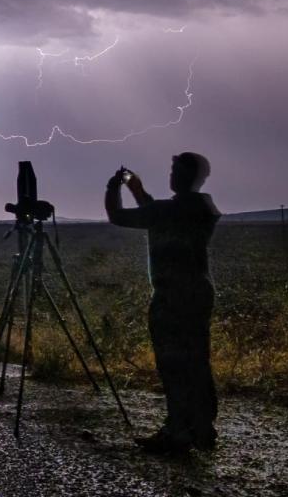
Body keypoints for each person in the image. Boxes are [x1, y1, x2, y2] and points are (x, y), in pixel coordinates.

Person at [104, 152, 221, 454]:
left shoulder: (168, 210)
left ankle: (177, 432)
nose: (171, 175)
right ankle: (202, 427)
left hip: (171, 296)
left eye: (175, 170)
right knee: (197, 361)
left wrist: (113, 189)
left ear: (186, 176)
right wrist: (137, 189)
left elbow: (118, 216)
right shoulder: (202, 207)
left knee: (172, 363)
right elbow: (156, 211)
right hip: (199, 292)